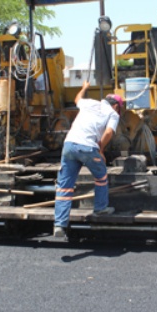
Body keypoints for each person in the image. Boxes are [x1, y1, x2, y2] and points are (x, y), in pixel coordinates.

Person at [53, 81, 122, 237]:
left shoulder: (89, 103)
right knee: (101, 174)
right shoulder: (113, 114)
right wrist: (101, 149)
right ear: (117, 106)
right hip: (88, 147)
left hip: (69, 144)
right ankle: (100, 207)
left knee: (64, 186)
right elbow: (109, 133)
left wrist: (84, 88)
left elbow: (77, 99)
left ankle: (59, 224)